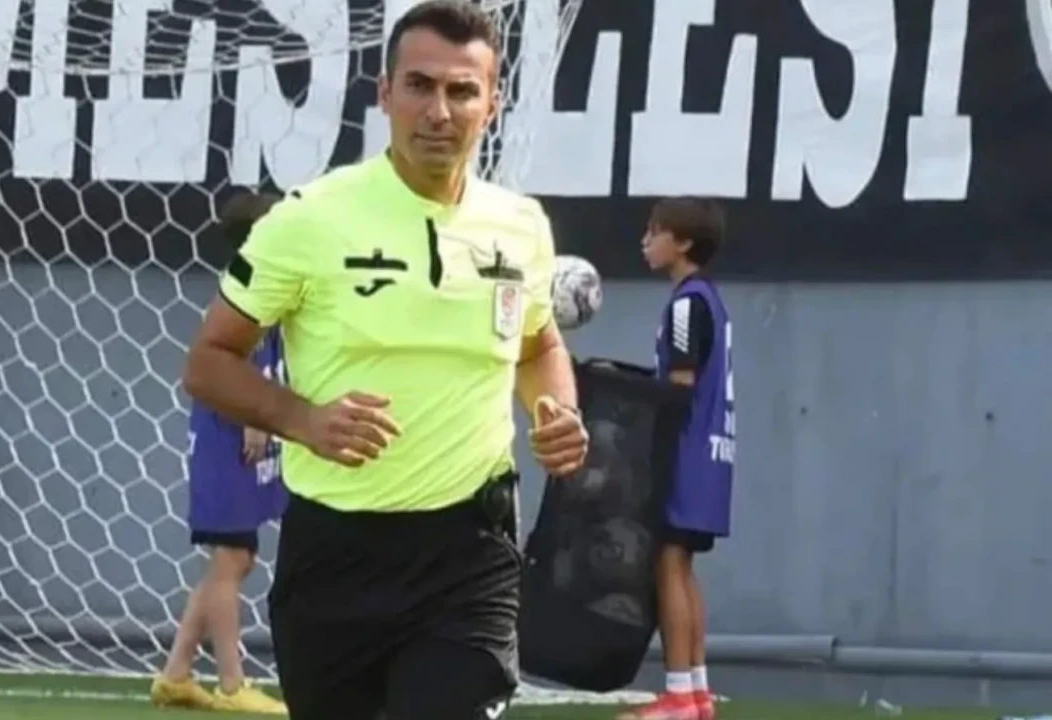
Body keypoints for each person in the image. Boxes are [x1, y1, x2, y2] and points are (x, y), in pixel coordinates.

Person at [182, 1, 590, 717]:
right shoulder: (309, 218)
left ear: (491, 104)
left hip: (468, 553)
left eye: (462, 91)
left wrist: (554, 411)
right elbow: (209, 362)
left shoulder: (521, 227)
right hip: (334, 553)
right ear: (385, 94)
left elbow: (539, 345)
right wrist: (304, 420)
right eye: (420, 86)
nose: (440, 111)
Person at [151, 191, 289, 715]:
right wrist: (253, 416)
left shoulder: (267, 279)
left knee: (234, 557)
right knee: (232, 556)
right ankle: (232, 684)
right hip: (229, 434)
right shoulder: (248, 284)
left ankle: (176, 674)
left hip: (238, 430)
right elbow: (230, 355)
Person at [625, 198, 734, 720]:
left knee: (667, 564)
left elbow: (680, 386)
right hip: (710, 453)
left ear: (684, 242)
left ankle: (676, 694)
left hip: (685, 453)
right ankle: (696, 693)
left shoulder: (688, 303)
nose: (645, 241)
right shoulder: (710, 299)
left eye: (655, 232)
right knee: (682, 567)